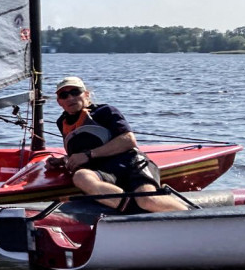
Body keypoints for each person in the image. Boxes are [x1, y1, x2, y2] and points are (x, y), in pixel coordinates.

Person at [48, 76, 187, 213]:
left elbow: (128, 140)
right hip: (102, 171)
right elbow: (78, 152)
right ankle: (130, 209)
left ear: (86, 94)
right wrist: (63, 161)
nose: (70, 98)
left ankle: (193, 215)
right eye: (64, 95)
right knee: (80, 177)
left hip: (130, 163)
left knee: (147, 200)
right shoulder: (62, 122)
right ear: (59, 102)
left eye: (75, 92)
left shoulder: (106, 111)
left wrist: (89, 155)